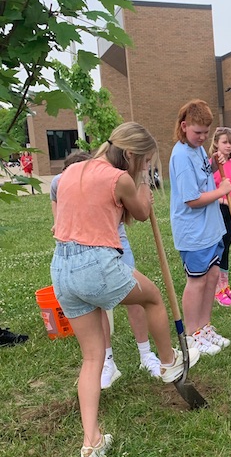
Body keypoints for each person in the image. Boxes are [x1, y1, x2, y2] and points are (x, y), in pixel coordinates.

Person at [51, 122, 201, 457]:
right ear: (131, 154)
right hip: (97, 265)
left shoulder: (73, 171)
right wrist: (144, 185)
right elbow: (142, 212)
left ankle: (91, 444)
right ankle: (167, 362)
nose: (145, 167)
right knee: (152, 298)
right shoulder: (118, 178)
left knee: (92, 358)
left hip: (62, 268)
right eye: (145, 161)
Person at [50, 151, 162, 388]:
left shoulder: (113, 179)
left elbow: (138, 211)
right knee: (94, 303)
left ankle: (146, 354)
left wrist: (143, 187)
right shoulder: (59, 183)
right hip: (85, 253)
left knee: (136, 297)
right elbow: (58, 213)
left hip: (114, 244)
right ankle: (107, 362)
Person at [169, 99, 231, 355]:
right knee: (197, 281)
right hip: (193, 231)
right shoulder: (181, 156)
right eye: (198, 132)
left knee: (212, 277)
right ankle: (193, 335)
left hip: (211, 228)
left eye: (207, 133)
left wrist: (214, 164)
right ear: (184, 126)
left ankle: (205, 327)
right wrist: (221, 192)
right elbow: (192, 199)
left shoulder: (196, 150)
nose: (203, 137)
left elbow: (202, 175)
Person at [208, 126, 231, 307]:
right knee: (219, 249)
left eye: (230, 142)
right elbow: (209, 192)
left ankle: (225, 286)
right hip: (218, 211)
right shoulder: (211, 166)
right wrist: (225, 201)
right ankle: (216, 290)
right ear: (216, 143)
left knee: (227, 247)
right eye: (224, 142)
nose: (228, 146)